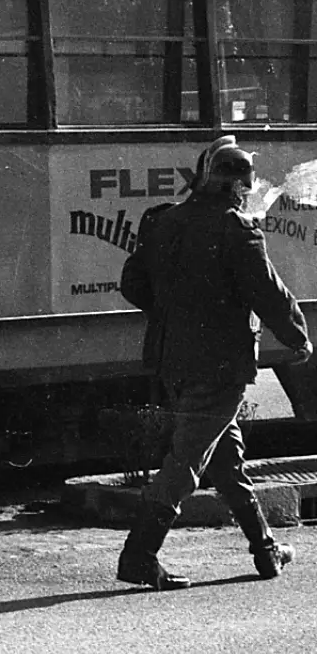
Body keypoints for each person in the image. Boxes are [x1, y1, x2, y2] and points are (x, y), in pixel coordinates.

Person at [116, 136, 312, 589]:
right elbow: (268, 293)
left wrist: (171, 314)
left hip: (173, 360)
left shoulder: (163, 222)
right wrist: (297, 338)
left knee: (226, 459)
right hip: (221, 366)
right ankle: (139, 556)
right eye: (244, 187)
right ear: (235, 188)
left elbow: (133, 283)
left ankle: (266, 551)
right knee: (187, 460)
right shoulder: (237, 230)